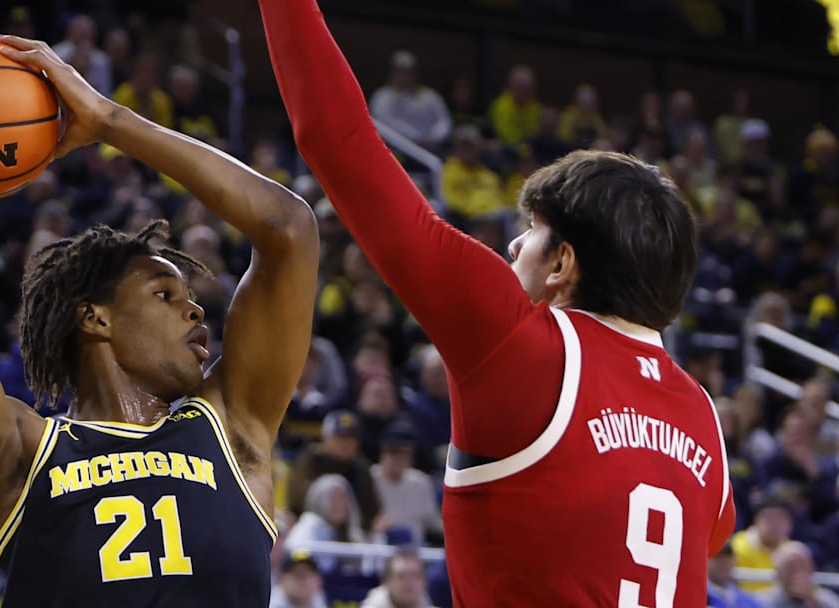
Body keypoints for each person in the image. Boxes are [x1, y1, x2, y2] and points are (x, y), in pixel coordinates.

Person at [258, 3, 734, 605]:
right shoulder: (703, 417)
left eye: (531, 231)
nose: (513, 244)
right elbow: (708, 535)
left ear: (563, 264)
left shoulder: (521, 347)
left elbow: (335, 136)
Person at [0, 33, 318, 608]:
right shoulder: (22, 449)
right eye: (164, 293)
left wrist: (112, 121)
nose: (196, 308)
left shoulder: (234, 432)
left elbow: (289, 230)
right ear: (94, 318)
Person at [759, 542, 839, 608]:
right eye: (789, 568)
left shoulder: (826, 601)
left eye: (802, 566)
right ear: (778, 574)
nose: (796, 574)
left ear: (811, 570)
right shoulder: (763, 602)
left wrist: (811, 600)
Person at [360, 550, 438, 608]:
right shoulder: (373, 605)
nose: (409, 582)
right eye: (402, 576)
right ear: (385, 582)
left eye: (415, 575)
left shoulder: (425, 602)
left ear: (425, 582)